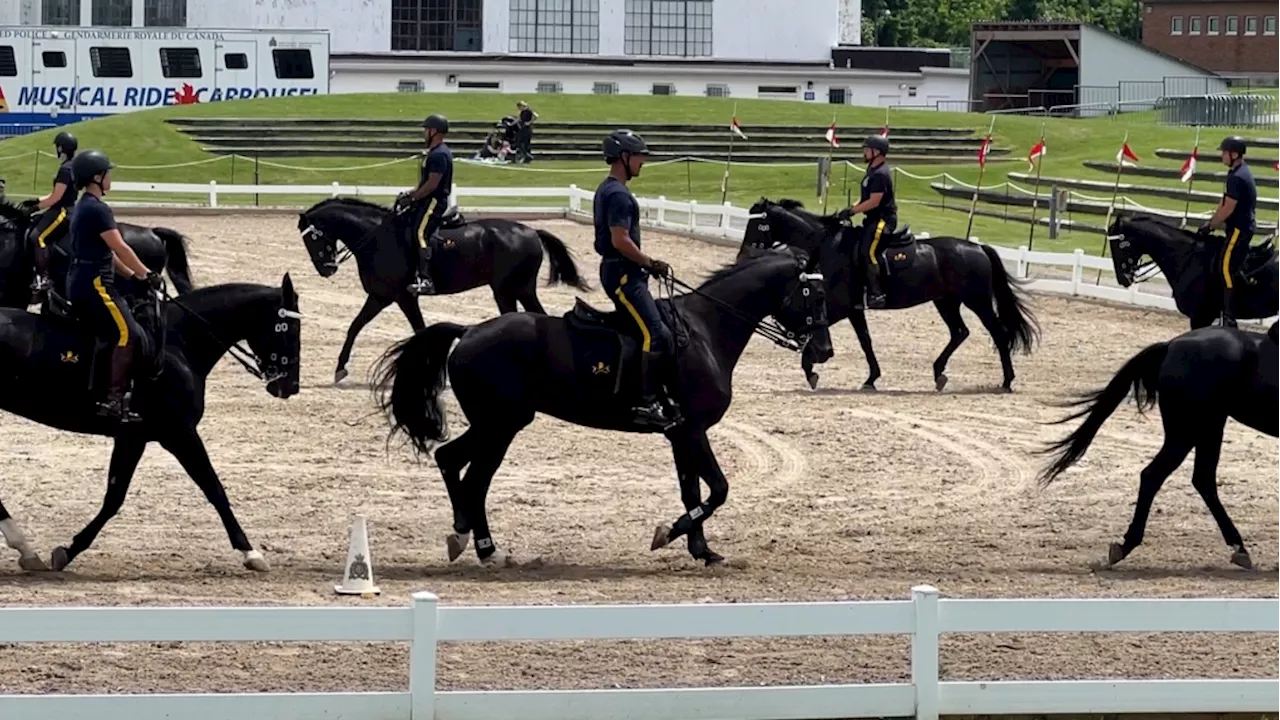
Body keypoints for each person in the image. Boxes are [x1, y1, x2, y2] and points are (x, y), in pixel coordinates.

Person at [594, 129, 681, 429]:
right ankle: (646, 402)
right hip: (623, 275)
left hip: (624, 271)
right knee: (655, 334)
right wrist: (650, 262)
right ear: (624, 158)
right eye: (639, 156)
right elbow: (620, 240)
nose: (643, 162)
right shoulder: (618, 194)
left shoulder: (609, 188)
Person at [66, 149, 162, 424]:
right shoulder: (98, 209)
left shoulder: (85, 205)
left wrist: (133, 276)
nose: (111, 177)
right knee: (127, 334)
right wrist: (147, 273)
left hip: (86, 279)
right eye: (108, 173)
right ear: (97, 177)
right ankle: (113, 400)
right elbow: (120, 246)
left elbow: (108, 254)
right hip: (95, 286)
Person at [1200, 135, 1256, 328]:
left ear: (1234, 154)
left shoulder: (1238, 177)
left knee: (1225, 268)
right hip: (1235, 227)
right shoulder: (1236, 173)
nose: (1222, 156)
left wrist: (1210, 226)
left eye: (1224, 153)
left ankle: (1230, 316)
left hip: (1239, 230)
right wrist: (1212, 222)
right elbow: (1223, 203)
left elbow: (1228, 208)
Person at [840, 135, 898, 310]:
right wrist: (851, 208)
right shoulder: (871, 170)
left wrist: (852, 211)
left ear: (877, 152)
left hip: (883, 220)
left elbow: (874, 201)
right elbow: (865, 198)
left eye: (867, 149)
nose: (864, 152)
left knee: (868, 251)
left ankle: (877, 292)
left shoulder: (880, 174)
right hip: (871, 218)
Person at [398, 114, 453, 296]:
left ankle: (425, 279)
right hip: (427, 198)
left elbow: (432, 185)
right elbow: (424, 183)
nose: (424, 133)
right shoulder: (434, 153)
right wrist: (410, 194)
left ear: (434, 131)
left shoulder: (439, 155)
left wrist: (413, 197)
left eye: (426, 130)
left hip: (434, 201)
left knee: (420, 233)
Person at [26, 131, 80, 299]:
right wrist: (35, 200)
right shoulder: (71, 165)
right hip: (59, 207)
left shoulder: (65, 169)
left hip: (63, 211)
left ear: (60, 148)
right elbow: (55, 194)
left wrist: (35, 207)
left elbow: (56, 198)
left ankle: (43, 278)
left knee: (38, 237)